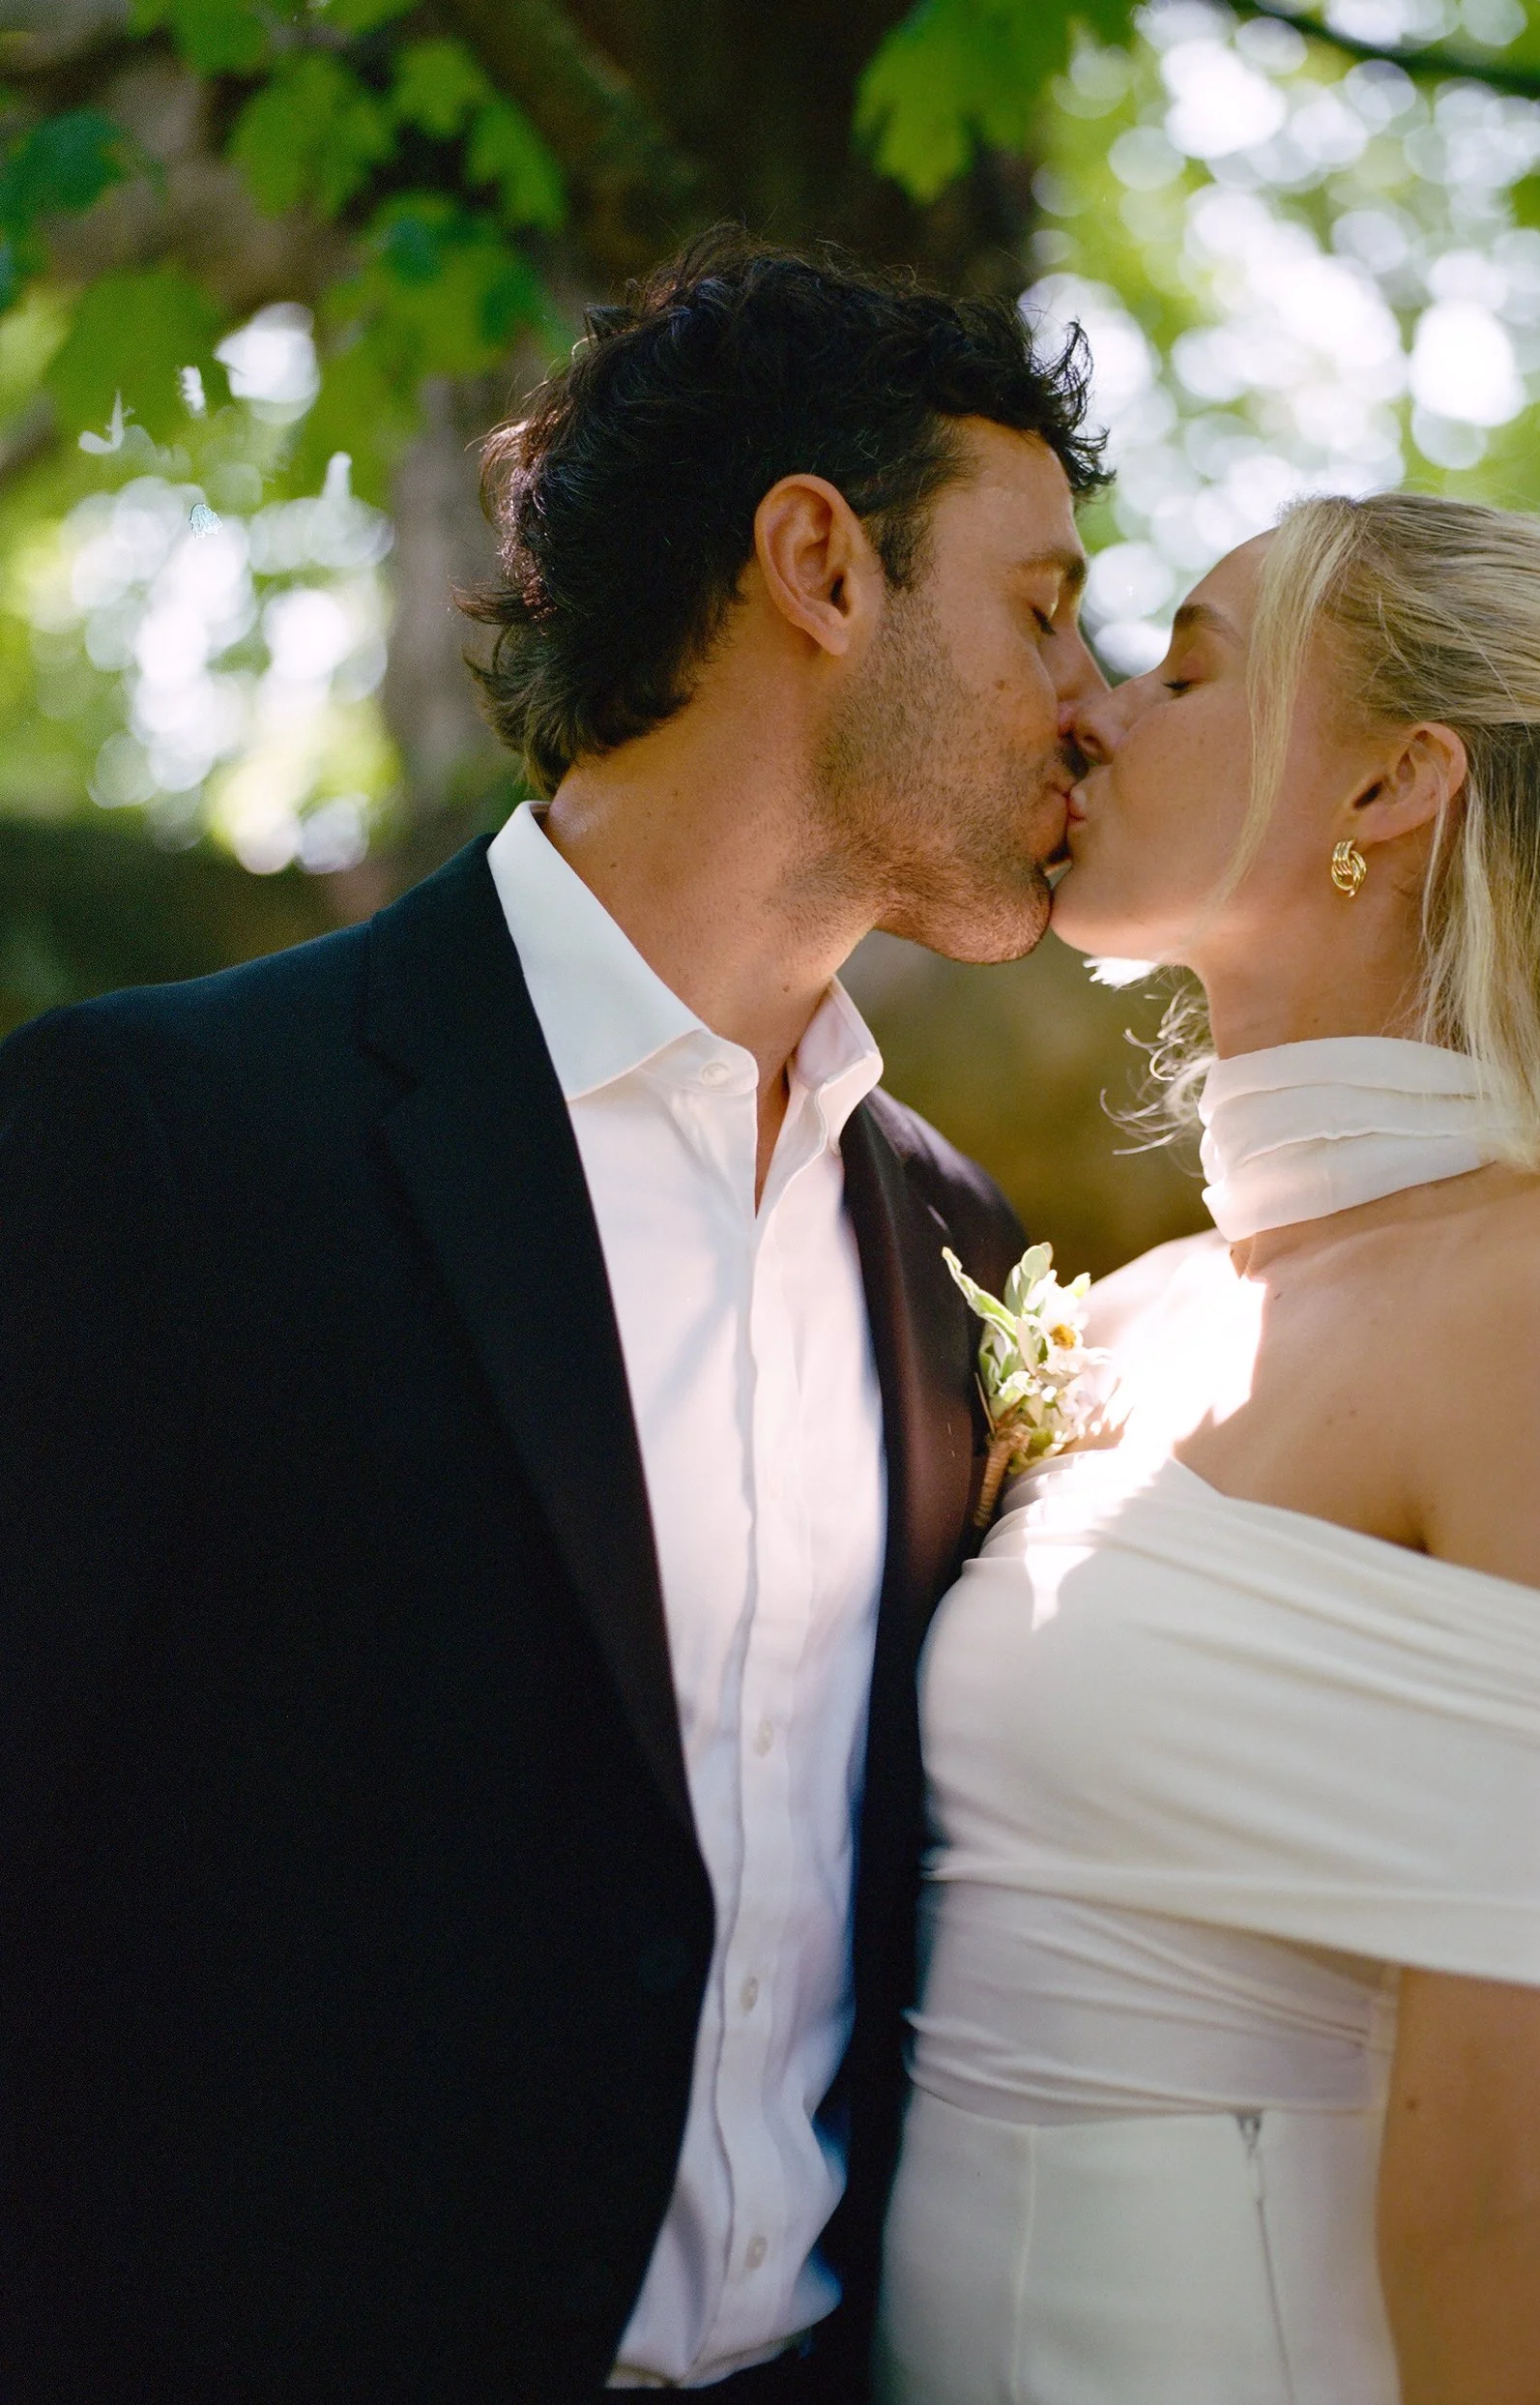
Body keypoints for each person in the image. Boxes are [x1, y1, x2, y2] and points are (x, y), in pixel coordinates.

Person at [0, 235, 1109, 2402]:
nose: (1090, 696)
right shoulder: (158, 1141)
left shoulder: (951, 1246)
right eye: (1042, 609)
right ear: (820, 564)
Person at [877, 493, 1540, 2404]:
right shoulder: (1137, 1310)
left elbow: (1516, 2170)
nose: (1093, 711)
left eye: (1185, 669)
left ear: (1389, 786)